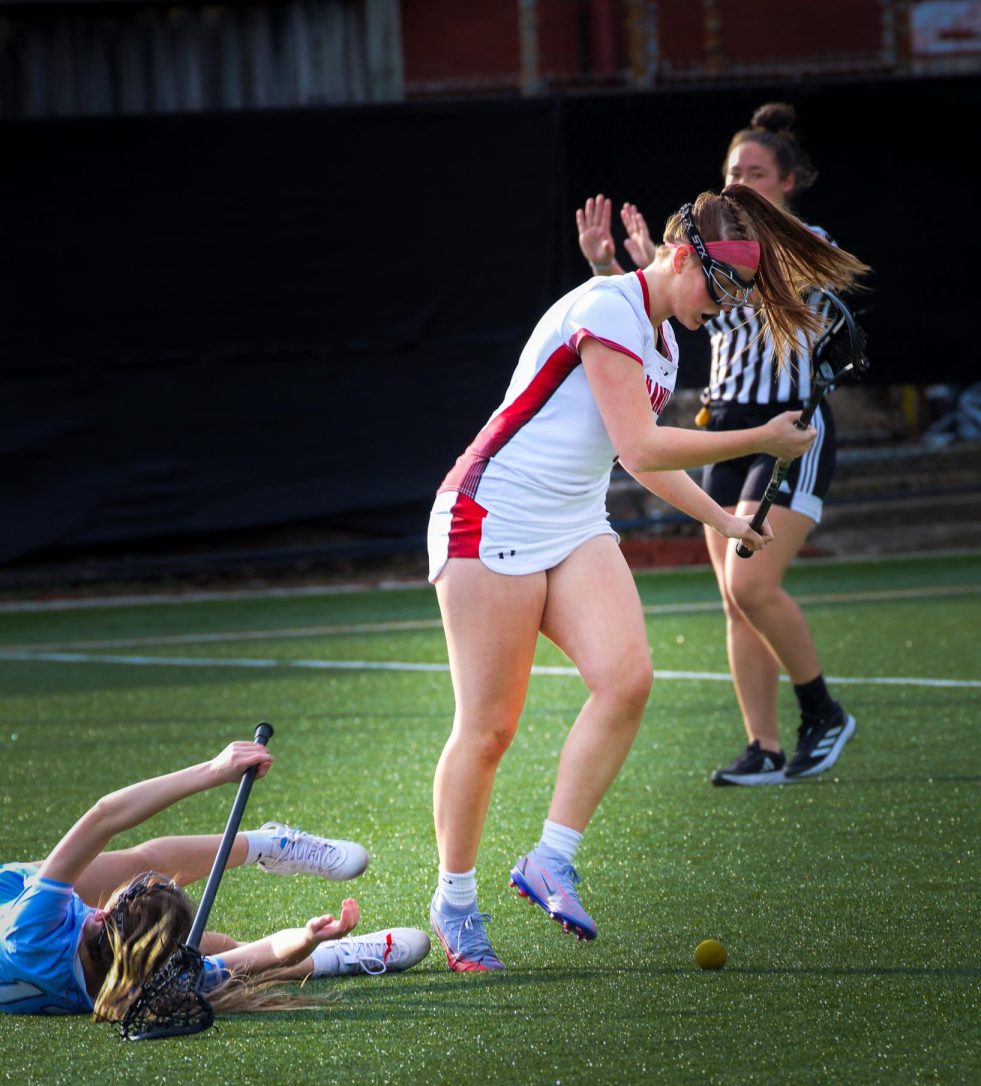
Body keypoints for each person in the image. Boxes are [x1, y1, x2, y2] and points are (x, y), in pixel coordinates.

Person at [426, 183, 870, 971]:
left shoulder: (662, 344)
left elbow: (641, 460)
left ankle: (549, 860)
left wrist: (728, 520)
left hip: (572, 522)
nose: (725, 306)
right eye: (721, 286)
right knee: (489, 730)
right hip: (489, 513)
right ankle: (455, 903)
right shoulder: (605, 307)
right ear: (676, 254)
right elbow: (640, 447)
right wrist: (757, 439)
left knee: (627, 678)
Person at [576, 103, 863, 787]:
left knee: (750, 581)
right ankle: (762, 746)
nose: (740, 181)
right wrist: (627, 269)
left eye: (756, 173)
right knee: (732, 599)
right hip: (721, 424)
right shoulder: (720, 253)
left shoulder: (796, 244)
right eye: (733, 171)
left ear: (788, 182)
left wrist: (676, 260)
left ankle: (821, 711)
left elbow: (752, 279)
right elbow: (675, 309)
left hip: (787, 430)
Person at [0, 740, 430, 1019]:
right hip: (47, 949)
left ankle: (268, 845)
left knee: (143, 861)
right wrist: (308, 938)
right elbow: (253, 959)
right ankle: (339, 956)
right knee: (222, 951)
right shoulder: (143, 985)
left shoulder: (116, 985)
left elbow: (105, 819)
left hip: (13, 901)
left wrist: (213, 772)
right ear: (101, 915)